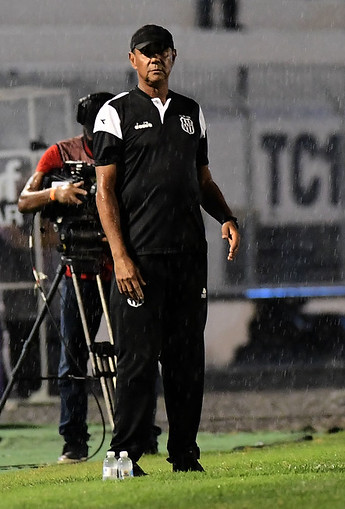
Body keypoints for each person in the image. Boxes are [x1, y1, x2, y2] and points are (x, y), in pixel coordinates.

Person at [93, 24, 240, 474]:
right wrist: (119, 256)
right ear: (132, 59)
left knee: (185, 363)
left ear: (174, 57)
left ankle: (184, 455)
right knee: (137, 362)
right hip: (139, 259)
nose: (156, 58)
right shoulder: (114, 113)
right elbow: (105, 191)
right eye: (147, 51)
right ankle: (122, 455)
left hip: (188, 258)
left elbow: (203, 181)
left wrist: (227, 216)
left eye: (163, 51)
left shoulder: (191, 112)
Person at [16, 93, 161, 463]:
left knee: (133, 351)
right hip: (78, 266)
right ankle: (74, 441)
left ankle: (141, 432)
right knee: (73, 357)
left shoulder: (129, 151)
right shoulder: (60, 153)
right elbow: (24, 200)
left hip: (121, 265)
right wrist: (57, 191)